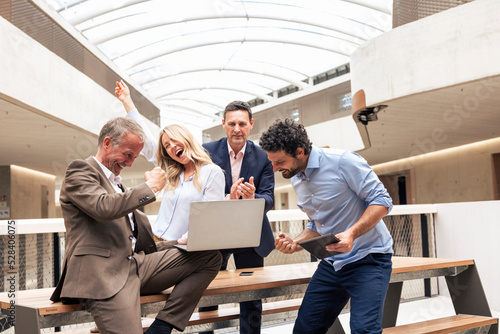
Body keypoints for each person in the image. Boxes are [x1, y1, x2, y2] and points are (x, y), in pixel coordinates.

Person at [50, 116, 222, 334]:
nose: (130, 162)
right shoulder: (80, 171)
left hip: (134, 265)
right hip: (104, 274)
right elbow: (103, 208)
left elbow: (130, 237)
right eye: (127, 154)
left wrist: (173, 243)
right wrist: (149, 188)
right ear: (107, 143)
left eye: (134, 156)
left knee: (209, 256)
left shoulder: (117, 183)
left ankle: (164, 325)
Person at [258, 118, 394, 334]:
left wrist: (351, 233)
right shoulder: (296, 177)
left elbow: (382, 201)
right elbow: (317, 222)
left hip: (368, 259)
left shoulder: (343, 161)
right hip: (332, 263)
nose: (274, 168)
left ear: (300, 151)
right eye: (272, 162)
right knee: (304, 330)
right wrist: (296, 243)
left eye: (279, 162)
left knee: (363, 331)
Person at [115, 80, 225, 244]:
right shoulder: (171, 171)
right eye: (167, 145)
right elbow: (146, 139)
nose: (172, 146)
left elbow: (209, 215)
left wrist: (186, 241)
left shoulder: (212, 173)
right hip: (155, 240)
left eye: (175, 140)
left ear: (186, 139)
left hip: (181, 247)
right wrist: (127, 101)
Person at [200, 101, 275, 334]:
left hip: (250, 234)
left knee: (251, 295)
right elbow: (198, 193)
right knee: (208, 293)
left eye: (242, 123)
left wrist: (254, 198)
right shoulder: (205, 152)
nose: (237, 129)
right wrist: (226, 197)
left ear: (251, 125)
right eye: (231, 123)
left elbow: (269, 198)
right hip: (215, 235)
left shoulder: (264, 156)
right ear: (223, 124)